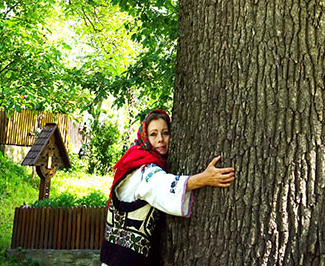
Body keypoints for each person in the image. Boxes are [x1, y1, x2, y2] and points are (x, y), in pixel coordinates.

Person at [100, 109, 235, 266]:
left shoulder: (134, 162)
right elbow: (161, 186)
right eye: (153, 134)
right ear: (144, 136)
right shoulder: (143, 169)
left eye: (165, 133)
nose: (160, 139)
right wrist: (203, 179)